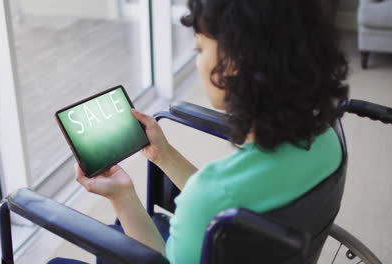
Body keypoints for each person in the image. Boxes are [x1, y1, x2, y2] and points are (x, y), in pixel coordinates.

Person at [51, 0, 349, 263]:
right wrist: (164, 155)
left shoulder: (207, 196)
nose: (196, 60)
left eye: (200, 47)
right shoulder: (328, 140)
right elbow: (225, 202)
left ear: (232, 62)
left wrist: (122, 195)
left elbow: (204, 209)